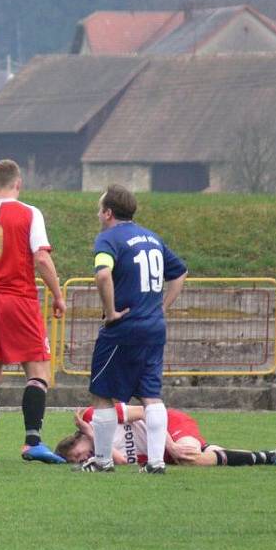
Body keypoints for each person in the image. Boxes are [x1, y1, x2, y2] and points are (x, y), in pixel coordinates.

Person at [73, 184, 188, 474]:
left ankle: (102, 461)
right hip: (153, 327)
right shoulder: (152, 237)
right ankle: (156, 463)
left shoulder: (108, 239)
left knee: (102, 394)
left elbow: (102, 275)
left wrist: (110, 312)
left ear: (108, 212)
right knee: (151, 395)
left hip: (123, 328)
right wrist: (162, 307)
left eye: (100, 208)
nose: (98, 214)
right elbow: (180, 271)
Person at [0, 159, 66, 464]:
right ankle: (32, 441)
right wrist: (58, 295)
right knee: (37, 370)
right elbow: (42, 260)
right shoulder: (30, 214)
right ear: (18, 184)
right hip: (18, 297)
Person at [56, 404, 276, 467]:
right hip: (164, 450)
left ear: (78, 437)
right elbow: (120, 462)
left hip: (168, 425)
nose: (83, 458)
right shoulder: (100, 451)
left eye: (77, 455)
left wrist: (172, 445)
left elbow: (144, 412)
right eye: (78, 462)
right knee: (208, 454)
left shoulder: (93, 415)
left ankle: (266, 458)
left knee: (191, 459)